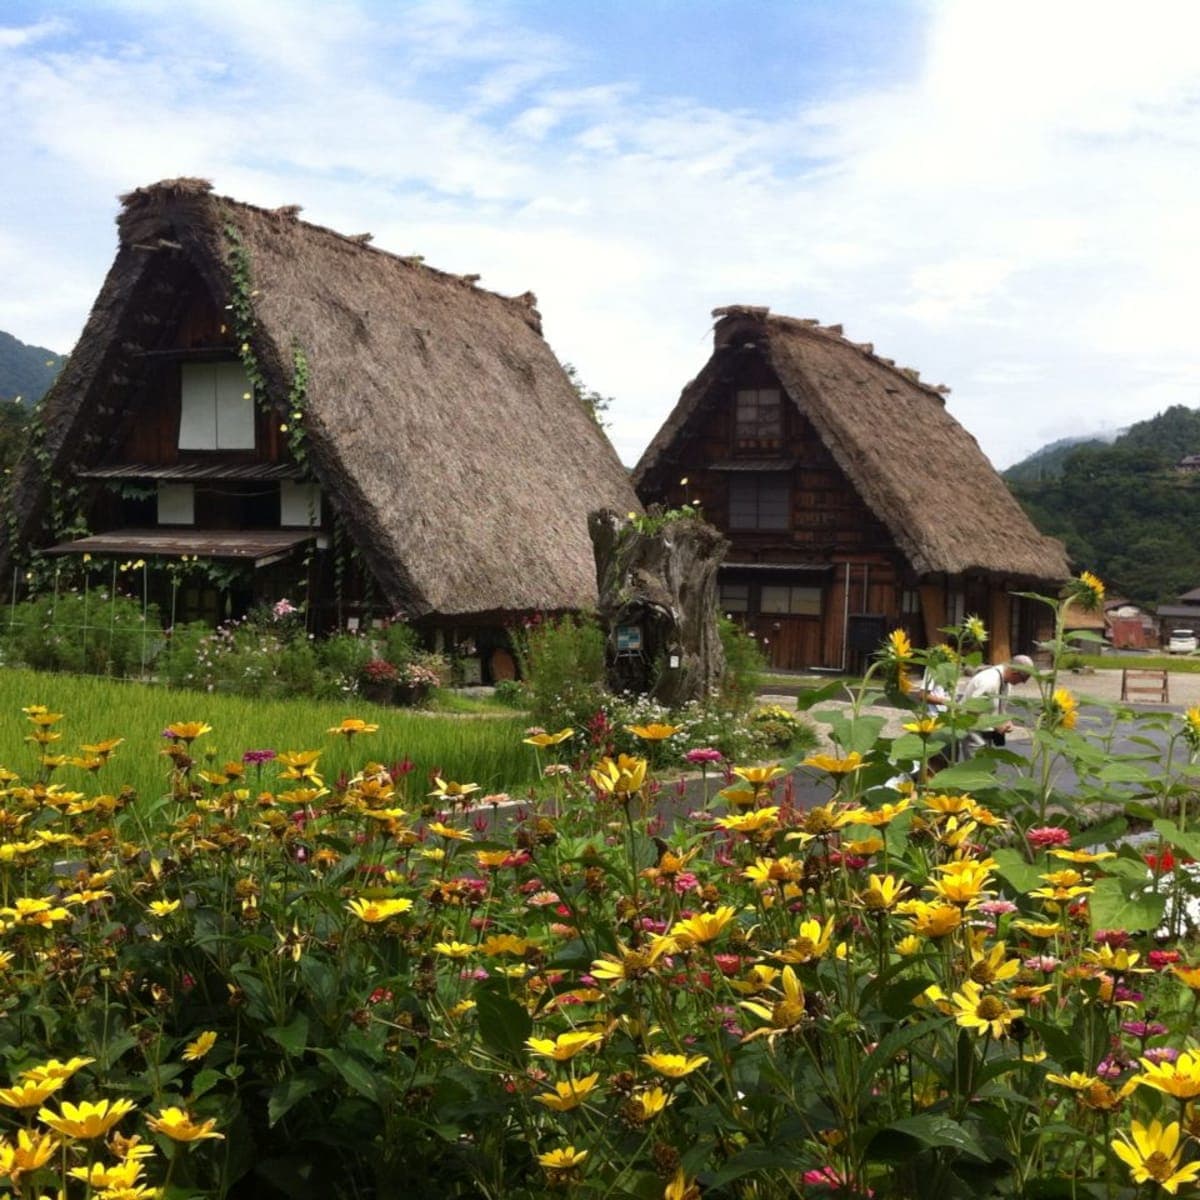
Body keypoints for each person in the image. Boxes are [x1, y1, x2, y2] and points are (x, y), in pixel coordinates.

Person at [961, 654, 1035, 756]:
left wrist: (1006, 720)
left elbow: (1000, 707)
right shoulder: (989, 680)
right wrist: (996, 724)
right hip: (972, 727)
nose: (1023, 682)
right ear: (1015, 672)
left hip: (986, 730)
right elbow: (972, 709)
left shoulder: (1006, 682)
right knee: (976, 763)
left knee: (987, 761)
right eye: (1023, 679)